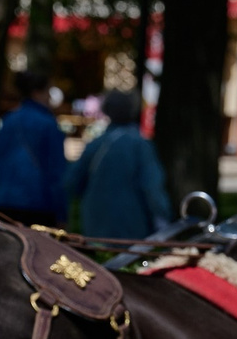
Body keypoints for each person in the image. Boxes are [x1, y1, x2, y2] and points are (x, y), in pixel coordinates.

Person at [64, 89, 173, 241]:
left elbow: (72, 182)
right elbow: (152, 186)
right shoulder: (140, 145)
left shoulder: (96, 144)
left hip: (95, 223)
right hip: (132, 225)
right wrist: (163, 219)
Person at [0, 71, 66, 221]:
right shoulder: (47, 124)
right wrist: (61, 213)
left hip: (3, 202)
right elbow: (56, 171)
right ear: (36, 93)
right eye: (48, 91)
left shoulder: (7, 120)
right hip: (38, 204)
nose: (50, 96)